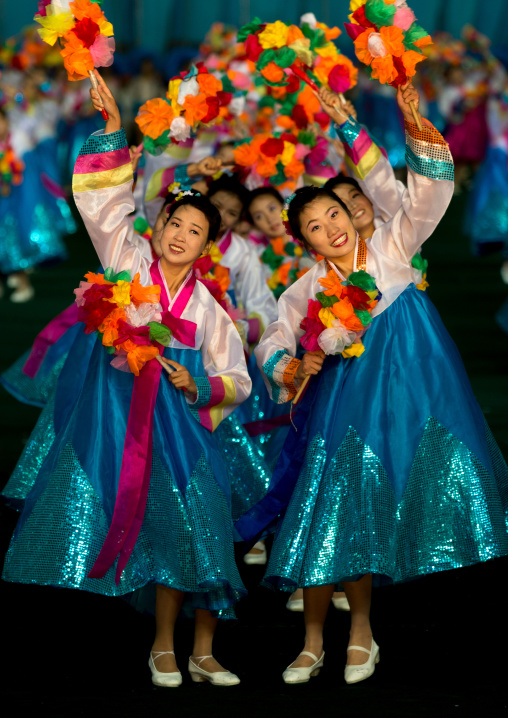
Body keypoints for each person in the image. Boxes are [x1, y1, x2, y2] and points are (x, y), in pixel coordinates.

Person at [235, 83, 508, 685]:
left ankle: (360, 633)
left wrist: (367, 128)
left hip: (416, 393)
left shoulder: (391, 244)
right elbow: (273, 341)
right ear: (301, 241)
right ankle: (314, 642)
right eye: (313, 224)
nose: (329, 226)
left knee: (410, 491)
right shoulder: (303, 290)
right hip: (344, 408)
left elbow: (424, 194)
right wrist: (291, 365)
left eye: (334, 212)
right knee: (328, 507)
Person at [3, 71, 252, 689]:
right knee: (125, 516)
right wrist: (111, 132)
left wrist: (197, 387)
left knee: (198, 522)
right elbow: (101, 204)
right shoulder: (126, 262)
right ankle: (163, 648)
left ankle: (204, 649)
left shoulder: (210, 312)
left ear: (204, 250)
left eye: (195, 232)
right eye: (174, 223)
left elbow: (237, 379)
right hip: (118, 425)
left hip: (184, 436)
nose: (179, 234)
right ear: (159, 224)